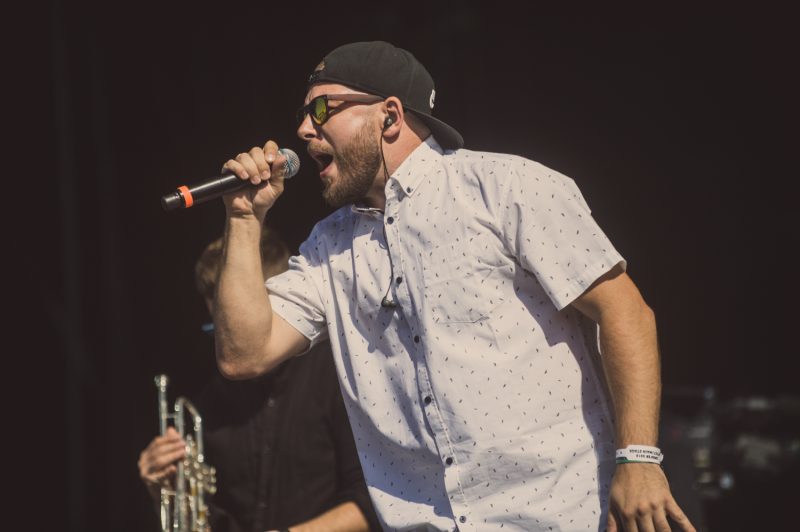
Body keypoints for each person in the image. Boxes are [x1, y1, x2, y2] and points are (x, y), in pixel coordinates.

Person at [213, 40, 696, 531]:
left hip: (557, 515)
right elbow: (244, 354)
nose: (302, 129)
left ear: (390, 115)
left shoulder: (506, 188)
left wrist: (638, 458)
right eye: (302, 114)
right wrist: (244, 217)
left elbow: (625, 311)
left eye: (321, 109)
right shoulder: (329, 247)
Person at [138, 227, 380, 532]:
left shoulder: (338, 376)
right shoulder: (207, 403)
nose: (229, 344)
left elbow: (375, 501)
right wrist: (170, 493)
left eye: (235, 327)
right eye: (217, 331)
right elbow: (211, 524)